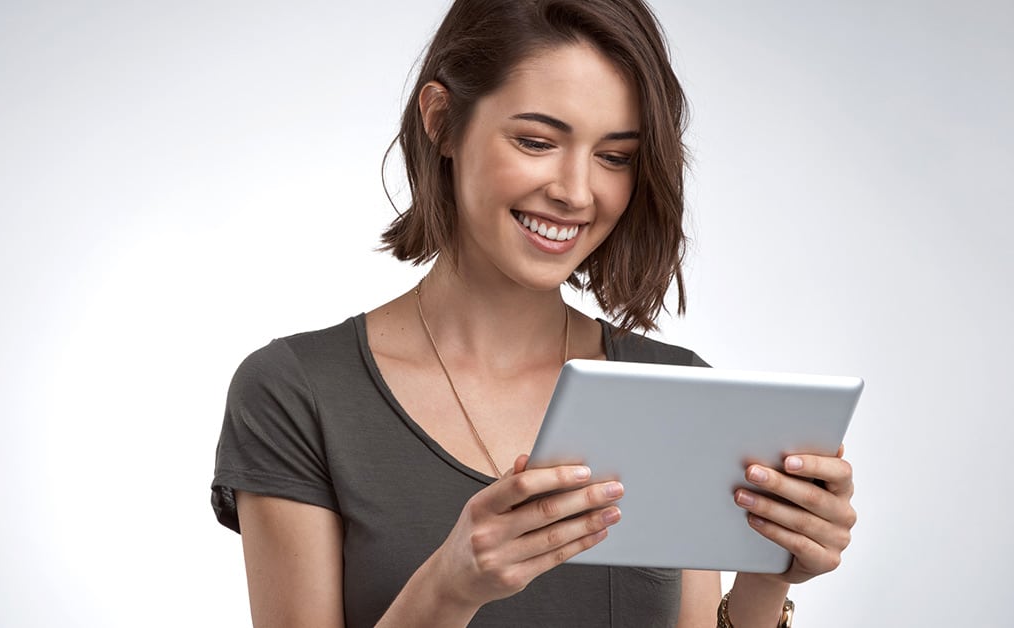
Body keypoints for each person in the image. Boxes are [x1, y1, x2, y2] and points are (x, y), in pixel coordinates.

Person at [210, 0, 857, 626]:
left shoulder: (676, 390)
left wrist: (768, 575)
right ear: (441, 120)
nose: (575, 192)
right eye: (537, 140)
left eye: (614, 156)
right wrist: (450, 587)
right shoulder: (298, 393)